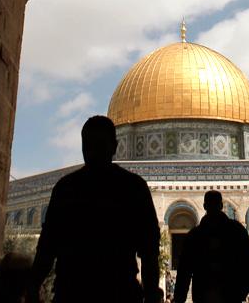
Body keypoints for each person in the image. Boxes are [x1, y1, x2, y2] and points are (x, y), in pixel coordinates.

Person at [28, 116, 160, 303]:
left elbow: (47, 248)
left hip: (72, 292)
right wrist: (152, 294)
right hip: (119, 292)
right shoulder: (133, 187)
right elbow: (149, 251)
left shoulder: (66, 188)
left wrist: (33, 285)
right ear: (115, 146)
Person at [174, 190, 249, 303]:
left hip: (208, 294)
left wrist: (179, 298)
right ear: (221, 205)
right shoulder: (236, 231)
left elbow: (184, 272)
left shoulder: (195, 235)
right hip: (230, 293)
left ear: (204, 206)